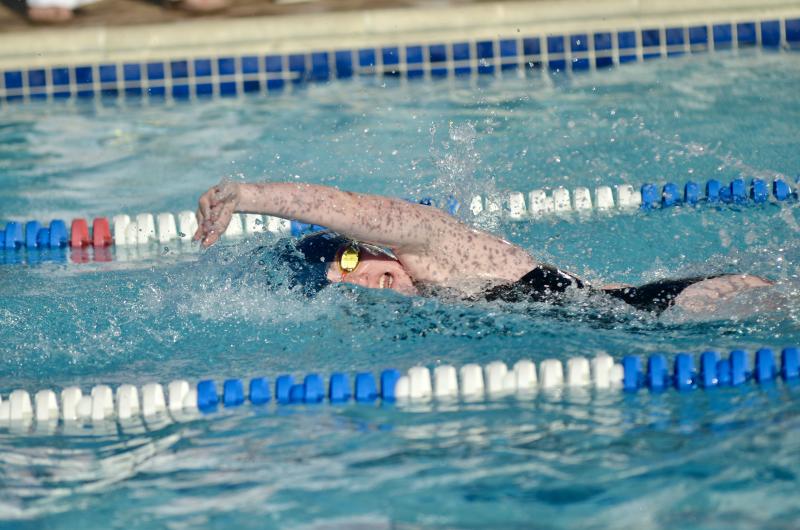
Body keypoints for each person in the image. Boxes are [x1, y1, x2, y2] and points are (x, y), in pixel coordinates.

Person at [194, 181, 772, 313]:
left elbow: (356, 209)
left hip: (685, 305)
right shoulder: (433, 306)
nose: (359, 279)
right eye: (340, 284)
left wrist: (250, 194)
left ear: (373, 246)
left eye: (350, 259)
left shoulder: (438, 252)